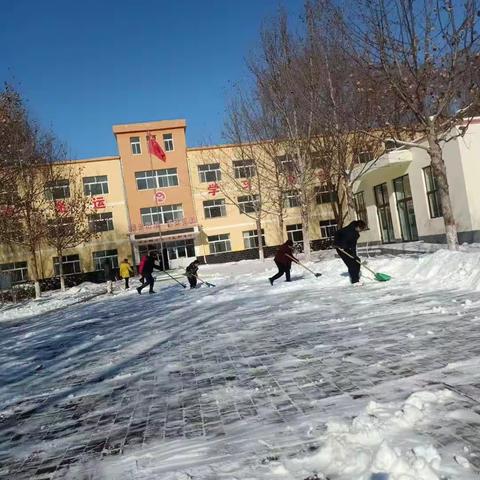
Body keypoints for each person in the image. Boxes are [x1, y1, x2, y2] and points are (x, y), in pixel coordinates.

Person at [333, 220, 366, 285]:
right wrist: (336, 243)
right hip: (340, 248)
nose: (361, 230)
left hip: (347, 248)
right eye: (361, 229)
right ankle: (355, 281)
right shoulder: (348, 230)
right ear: (357, 226)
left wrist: (354, 255)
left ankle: (356, 277)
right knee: (351, 263)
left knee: (357, 260)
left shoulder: (356, 234)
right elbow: (337, 233)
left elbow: (353, 245)